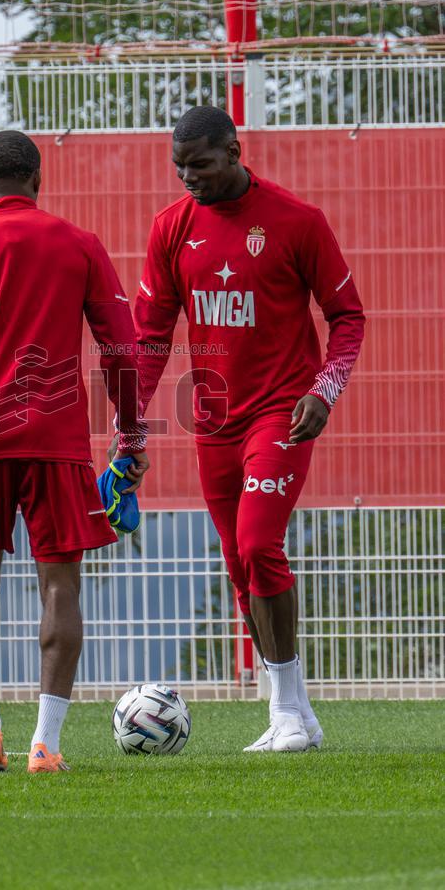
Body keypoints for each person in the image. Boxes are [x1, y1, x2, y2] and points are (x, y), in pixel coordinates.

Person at [0, 131, 149, 773]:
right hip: (57, 438)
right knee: (59, 582)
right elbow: (123, 351)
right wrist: (131, 435)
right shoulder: (79, 244)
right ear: (38, 181)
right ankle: (46, 744)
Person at [124, 106, 365, 751]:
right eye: (179, 167)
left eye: (200, 165)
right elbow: (150, 336)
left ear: (233, 152)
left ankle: (284, 713)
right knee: (238, 568)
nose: (188, 178)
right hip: (214, 420)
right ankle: (298, 715)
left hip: (282, 411)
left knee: (259, 545)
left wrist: (325, 389)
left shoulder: (297, 221)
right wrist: (131, 424)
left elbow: (347, 317)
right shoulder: (171, 229)